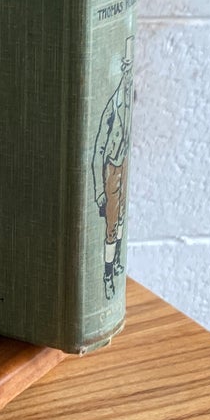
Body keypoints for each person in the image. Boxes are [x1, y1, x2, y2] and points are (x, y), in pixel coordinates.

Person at [92, 40, 133, 299]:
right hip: (112, 168)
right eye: (126, 70)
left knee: (121, 218)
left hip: (125, 162)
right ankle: (107, 275)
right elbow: (98, 147)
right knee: (110, 224)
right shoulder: (114, 104)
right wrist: (99, 190)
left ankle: (117, 261)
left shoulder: (130, 99)